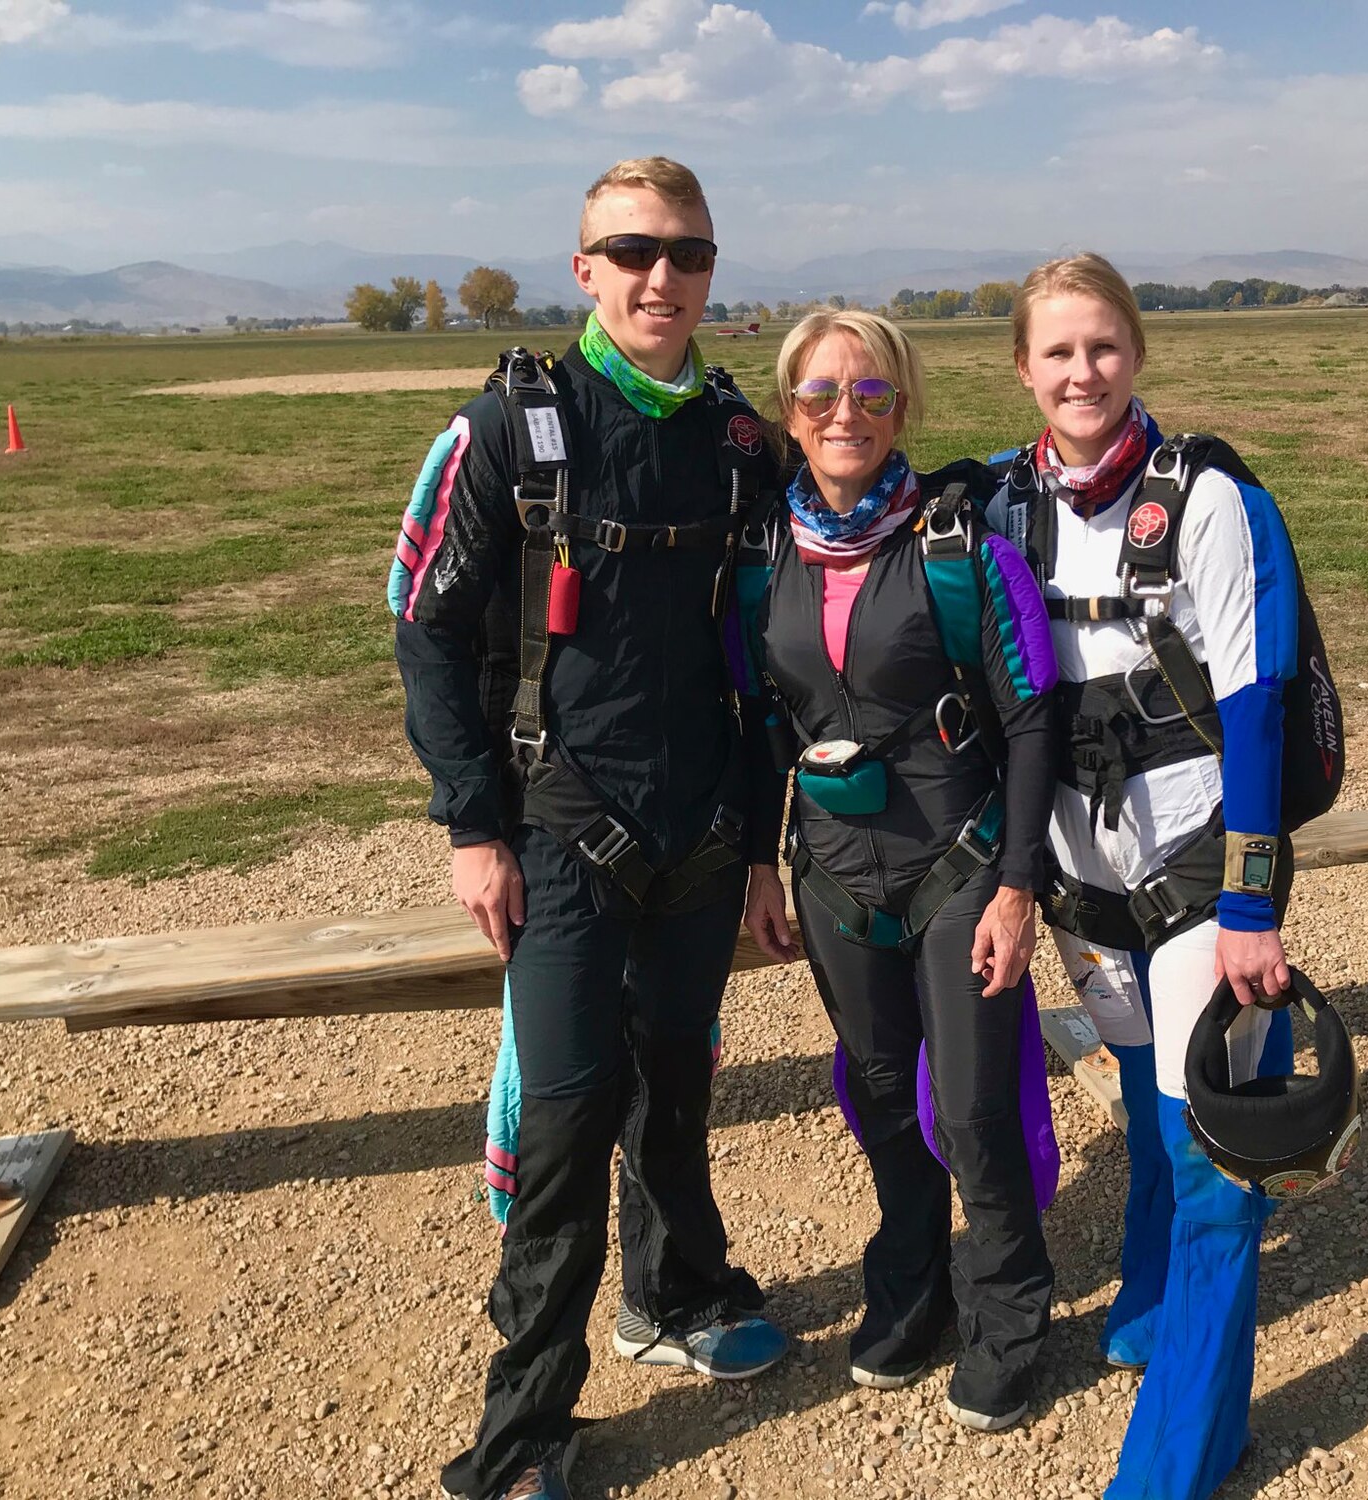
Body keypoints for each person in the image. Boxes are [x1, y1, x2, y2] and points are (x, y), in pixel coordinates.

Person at [390, 157, 787, 1500]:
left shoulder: (740, 441)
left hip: (698, 837)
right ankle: (524, 1438)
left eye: (686, 252)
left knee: (675, 1097)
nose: (660, 276)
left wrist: (758, 843)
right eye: (632, 252)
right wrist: (469, 825)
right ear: (585, 269)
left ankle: (669, 1302)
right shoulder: (508, 428)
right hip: (560, 839)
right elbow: (429, 630)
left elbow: (772, 649)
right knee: (562, 1133)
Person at [992, 253, 1308, 1500]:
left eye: (1103, 348)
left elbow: (1258, 705)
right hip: (1080, 880)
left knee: (1217, 1150)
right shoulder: (1002, 505)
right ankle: (1147, 1300)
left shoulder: (1205, 502)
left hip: (1191, 874)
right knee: (1139, 1087)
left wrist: (1248, 903)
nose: (1081, 372)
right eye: (1057, 352)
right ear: (1022, 368)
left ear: (1137, 356)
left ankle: (1182, 1454)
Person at [736, 310, 1060, 1432]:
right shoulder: (761, 555)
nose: (845, 414)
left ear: (903, 407)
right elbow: (757, 725)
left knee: (970, 1109)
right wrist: (755, 865)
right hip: (828, 873)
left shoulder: (963, 550)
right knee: (877, 1095)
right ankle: (911, 1287)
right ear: (789, 411)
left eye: (871, 394)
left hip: (957, 864)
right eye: (822, 394)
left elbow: (1030, 726)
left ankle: (1011, 1312)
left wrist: (1016, 885)